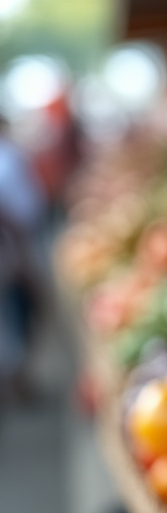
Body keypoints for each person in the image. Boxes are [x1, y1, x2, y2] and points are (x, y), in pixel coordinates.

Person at [0, 116, 48, 402]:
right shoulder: (10, 157)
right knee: (16, 318)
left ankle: (17, 379)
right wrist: (23, 256)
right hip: (14, 250)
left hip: (16, 248)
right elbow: (11, 215)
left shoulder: (11, 155)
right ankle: (17, 381)